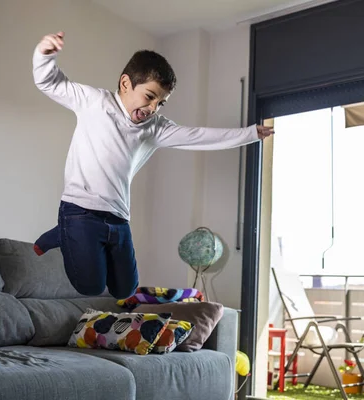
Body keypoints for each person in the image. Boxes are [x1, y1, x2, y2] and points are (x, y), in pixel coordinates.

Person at [32, 31, 275, 299]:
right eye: (149, 96)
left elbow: (200, 136)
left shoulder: (155, 128)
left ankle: (62, 233)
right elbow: (50, 83)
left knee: (124, 290)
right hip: (80, 210)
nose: (153, 107)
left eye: (160, 103)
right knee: (89, 286)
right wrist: (45, 54)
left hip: (118, 217)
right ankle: (63, 233)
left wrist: (249, 134)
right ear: (125, 84)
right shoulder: (94, 103)